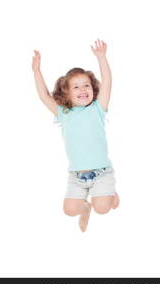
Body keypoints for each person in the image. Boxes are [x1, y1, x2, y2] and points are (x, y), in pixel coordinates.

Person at [32, 39, 120, 232]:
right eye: (76, 87)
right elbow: (45, 96)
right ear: (67, 93)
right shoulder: (64, 114)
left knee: (103, 209)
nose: (82, 90)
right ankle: (85, 208)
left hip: (101, 173)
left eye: (86, 85)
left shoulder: (98, 108)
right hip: (77, 176)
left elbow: (107, 82)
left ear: (93, 89)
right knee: (69, 210)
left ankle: (109, 194)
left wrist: (101, 58)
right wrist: (37, 71)